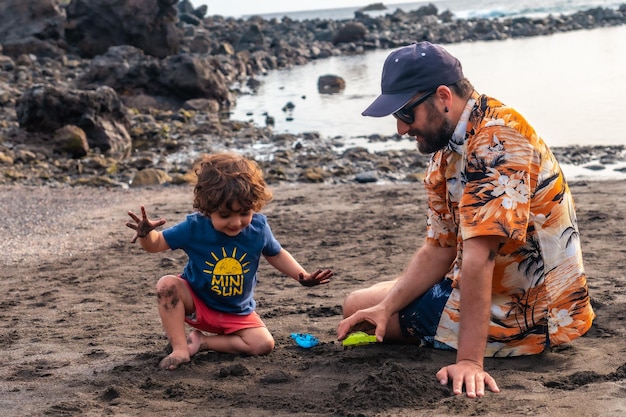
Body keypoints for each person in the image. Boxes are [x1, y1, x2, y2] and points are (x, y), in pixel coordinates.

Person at [336, 42, 595, 398]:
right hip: (487, 282)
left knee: (356, 307)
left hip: (526, 313)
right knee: (369, 307)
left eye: (405, 113)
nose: (399, 129)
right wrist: (386, 307)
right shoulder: (449, 146)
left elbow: (480, 258)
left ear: (443, 96)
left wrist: (470, 362)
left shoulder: (498, 141)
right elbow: (439, 247)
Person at [127, 152, 333, 370]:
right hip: (198, 303)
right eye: (225, 215)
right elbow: (156, 244)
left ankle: (201, 342)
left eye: (245, 212)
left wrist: (303, 276)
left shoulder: (258, 229)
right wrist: (146, 235)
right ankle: (179, 348)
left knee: (264, 344)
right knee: (167, 285)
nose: (236, 222)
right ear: (207, 210)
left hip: (237, 312)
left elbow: (276, 253)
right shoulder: (194, 227)